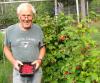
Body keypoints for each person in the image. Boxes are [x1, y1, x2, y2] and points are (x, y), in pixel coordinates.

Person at [3, 3, 46, 83]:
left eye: (29, 15)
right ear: (18, 16)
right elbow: (6, 49)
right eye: (23, 15)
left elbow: (42, 47)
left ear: (33, 16)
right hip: (18, 70)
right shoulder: (10, 30)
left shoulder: (38, 29)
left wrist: (39, 60)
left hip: (35, 71)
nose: (26, 19)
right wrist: (14, 62)